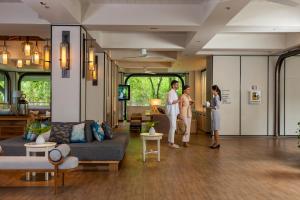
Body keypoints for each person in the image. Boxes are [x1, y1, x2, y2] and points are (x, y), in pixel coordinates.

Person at [166, 80, 180, 148]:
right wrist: (178, 100)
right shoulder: (171, 92)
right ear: (173, 85)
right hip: (171, 112)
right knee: (173, 127)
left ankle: (170, 142)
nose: (178, 86)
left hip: (174, 112)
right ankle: (171, 143)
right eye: (177, 84)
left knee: (172, 127)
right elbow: (170, 102)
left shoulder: (174, 92)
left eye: (178, 84)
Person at [209, 85, 222, 149]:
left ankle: (217, 143)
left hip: (216, 114)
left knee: (216, 129)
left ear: (214, 90)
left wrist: (209, 107)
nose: (211, 91)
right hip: (214, 113)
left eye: (211, 89)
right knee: (214, 129)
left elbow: (217, 106)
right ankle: (215, 142)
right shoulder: (215, 96)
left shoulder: (217, 96)